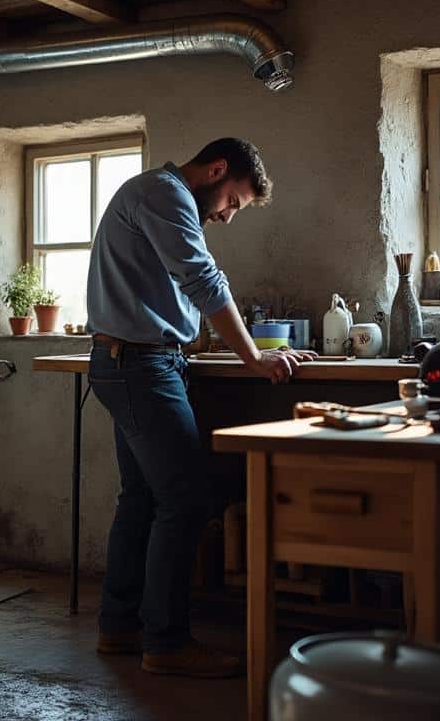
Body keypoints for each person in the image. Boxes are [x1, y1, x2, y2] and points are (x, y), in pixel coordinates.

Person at [85, 137, 315, 677]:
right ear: (216, 170)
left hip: (132, 361)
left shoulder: (159, 196)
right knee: (185, 500)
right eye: (233, 202)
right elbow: (205, 281)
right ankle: (165, 643)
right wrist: (257, 357)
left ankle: (119, 627)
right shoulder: (166, 195)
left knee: (141, 497)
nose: (230, 217)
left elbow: (185, 287)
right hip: (141, 366)